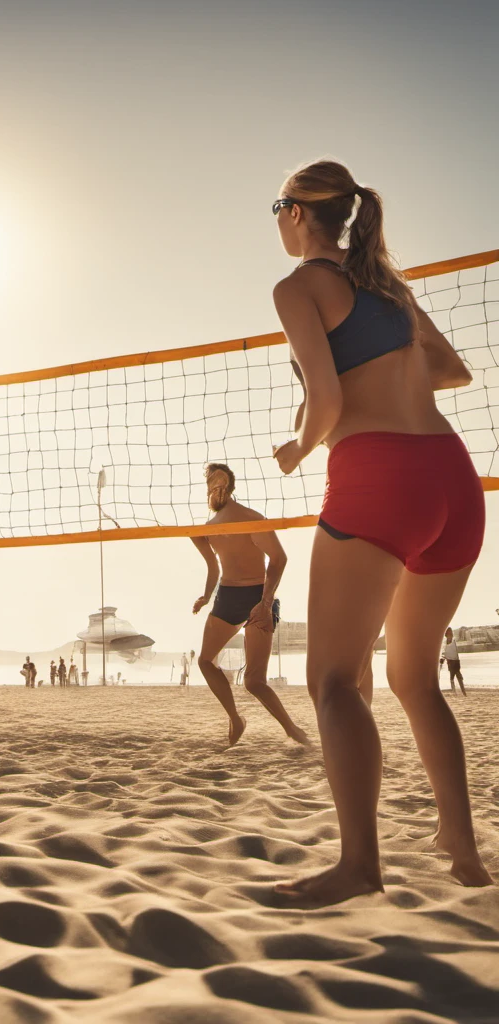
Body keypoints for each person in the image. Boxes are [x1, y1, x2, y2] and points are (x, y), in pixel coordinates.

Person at [269, 160, 491, 902]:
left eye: (277, 207)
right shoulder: (388, 286)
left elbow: (325, 401)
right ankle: (463, 847)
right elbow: (453, 371)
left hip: (380, 480)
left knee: (333, 680)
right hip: (453, 481)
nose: (276, 219)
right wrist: (392, 376)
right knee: (413, 677)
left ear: (300, 215)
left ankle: (360, 866)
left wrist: (301, 445)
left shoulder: (299, 287)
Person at [191, 463, 310, 746]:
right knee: (206, 661)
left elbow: (279, 559)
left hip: (258, 595)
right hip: (227, 598)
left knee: (255, 682)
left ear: (230, 487)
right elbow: (213, 568)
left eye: (220, 482)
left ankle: (292, 730)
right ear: (208, 487)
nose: (216, 487)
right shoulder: (204, 529)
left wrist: (266, 604)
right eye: (211, 482)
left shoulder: (250, 519)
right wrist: (207, 596)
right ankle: (235, 718)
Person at [440, 627, 466, 697]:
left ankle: (463, 692)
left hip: (456, 662)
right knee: (452, 677)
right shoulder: (445, 644)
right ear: (446, 635)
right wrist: (442, 660)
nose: (450, 636)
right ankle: (455, 692)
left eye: (451, 634)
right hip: (450, 662)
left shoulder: (454, 641)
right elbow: (444, 653)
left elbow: (454, 652)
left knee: (459, 677)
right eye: (449, 635)